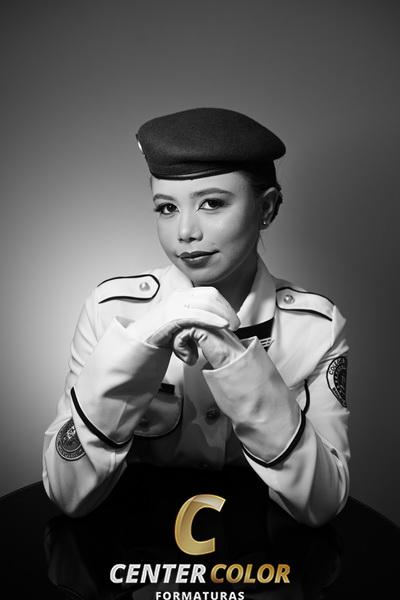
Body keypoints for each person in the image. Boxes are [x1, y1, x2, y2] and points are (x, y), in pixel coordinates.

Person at [42, 108, 350, 526]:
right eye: (167, 208)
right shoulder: (110, 311)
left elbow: (323, 504)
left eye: (212, 203)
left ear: (266, 208)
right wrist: (136, 350)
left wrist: (239, 366)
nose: (185, 231)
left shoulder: (314, 328)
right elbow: (66, 493)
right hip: (133, 548)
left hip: (262, 551)